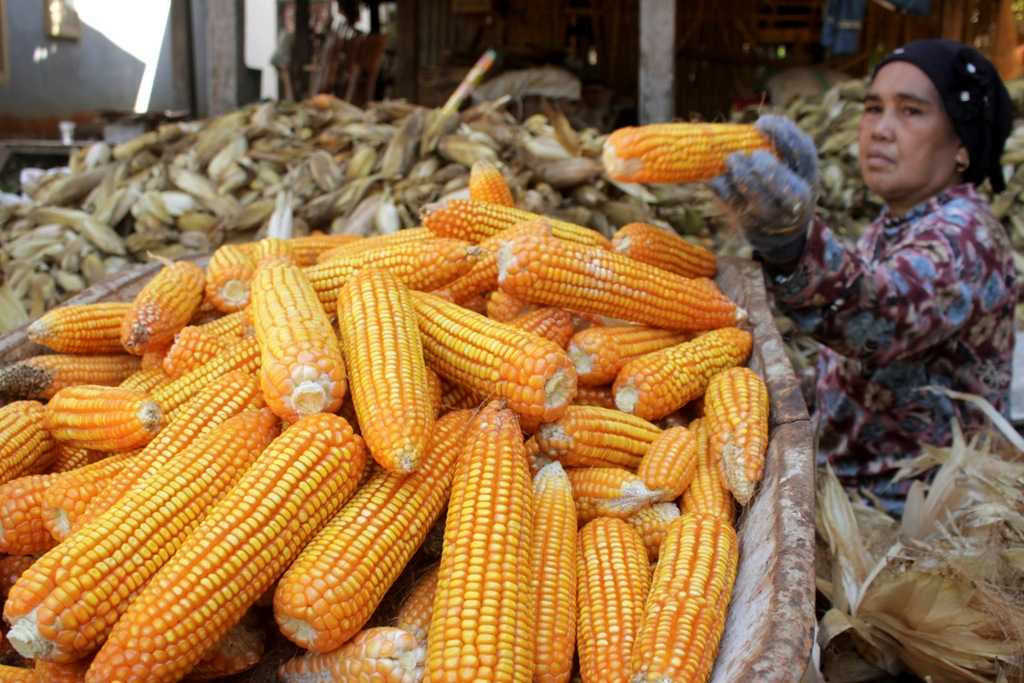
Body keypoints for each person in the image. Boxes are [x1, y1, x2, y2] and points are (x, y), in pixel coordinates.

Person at [710, 39, 1018, 516]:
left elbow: (872, 319)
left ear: (961, 145)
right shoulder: (899, 222)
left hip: (903, 523)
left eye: (911, 111)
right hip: (845, 490)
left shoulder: (965, 238)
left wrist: (793, 240)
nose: (880, 130)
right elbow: (857, 370)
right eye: (873, 109)